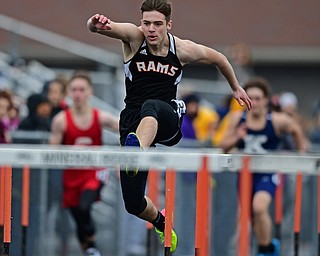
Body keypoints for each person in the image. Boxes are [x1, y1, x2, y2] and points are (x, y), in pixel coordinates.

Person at [87, 0, 252, 252]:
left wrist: (235, 87)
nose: (151, 29)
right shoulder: (135, 37)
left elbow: (218, 58)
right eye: (147, 23)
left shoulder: (182, 49)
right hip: (132, 121)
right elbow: (101, 29)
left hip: (167, 118)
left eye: (157, 24)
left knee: (151, 106)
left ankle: (135, 152)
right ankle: (162, 221)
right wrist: (95, 24)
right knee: (132, 203)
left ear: (168, 25)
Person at [219, 77, 307, 256]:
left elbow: (296, 130)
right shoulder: (237, 118)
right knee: (253, 219)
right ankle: (269, 246)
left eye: (258, 98)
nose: (254, 102)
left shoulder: (276, 120)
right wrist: (237, 137)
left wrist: (301, 154)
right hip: (245, 176)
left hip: (268, 173)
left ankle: (265, 251)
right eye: (250, 97)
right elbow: (223, 145)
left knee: (259, 206)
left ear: (266, 99)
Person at [49, 72, 119, 256]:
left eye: (82, 89)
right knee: (78, 216)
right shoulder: (61, 121)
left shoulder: (101, 117)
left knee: (84, 206)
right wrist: (67, 152)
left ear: (90, 92)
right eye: (74, 90)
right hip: (72, 175)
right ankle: (90, 248)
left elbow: (127, 130)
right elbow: (50, 152)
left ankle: (91, 241)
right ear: (69, 93)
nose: (78, 94)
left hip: (95, 172)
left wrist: (123, 160)